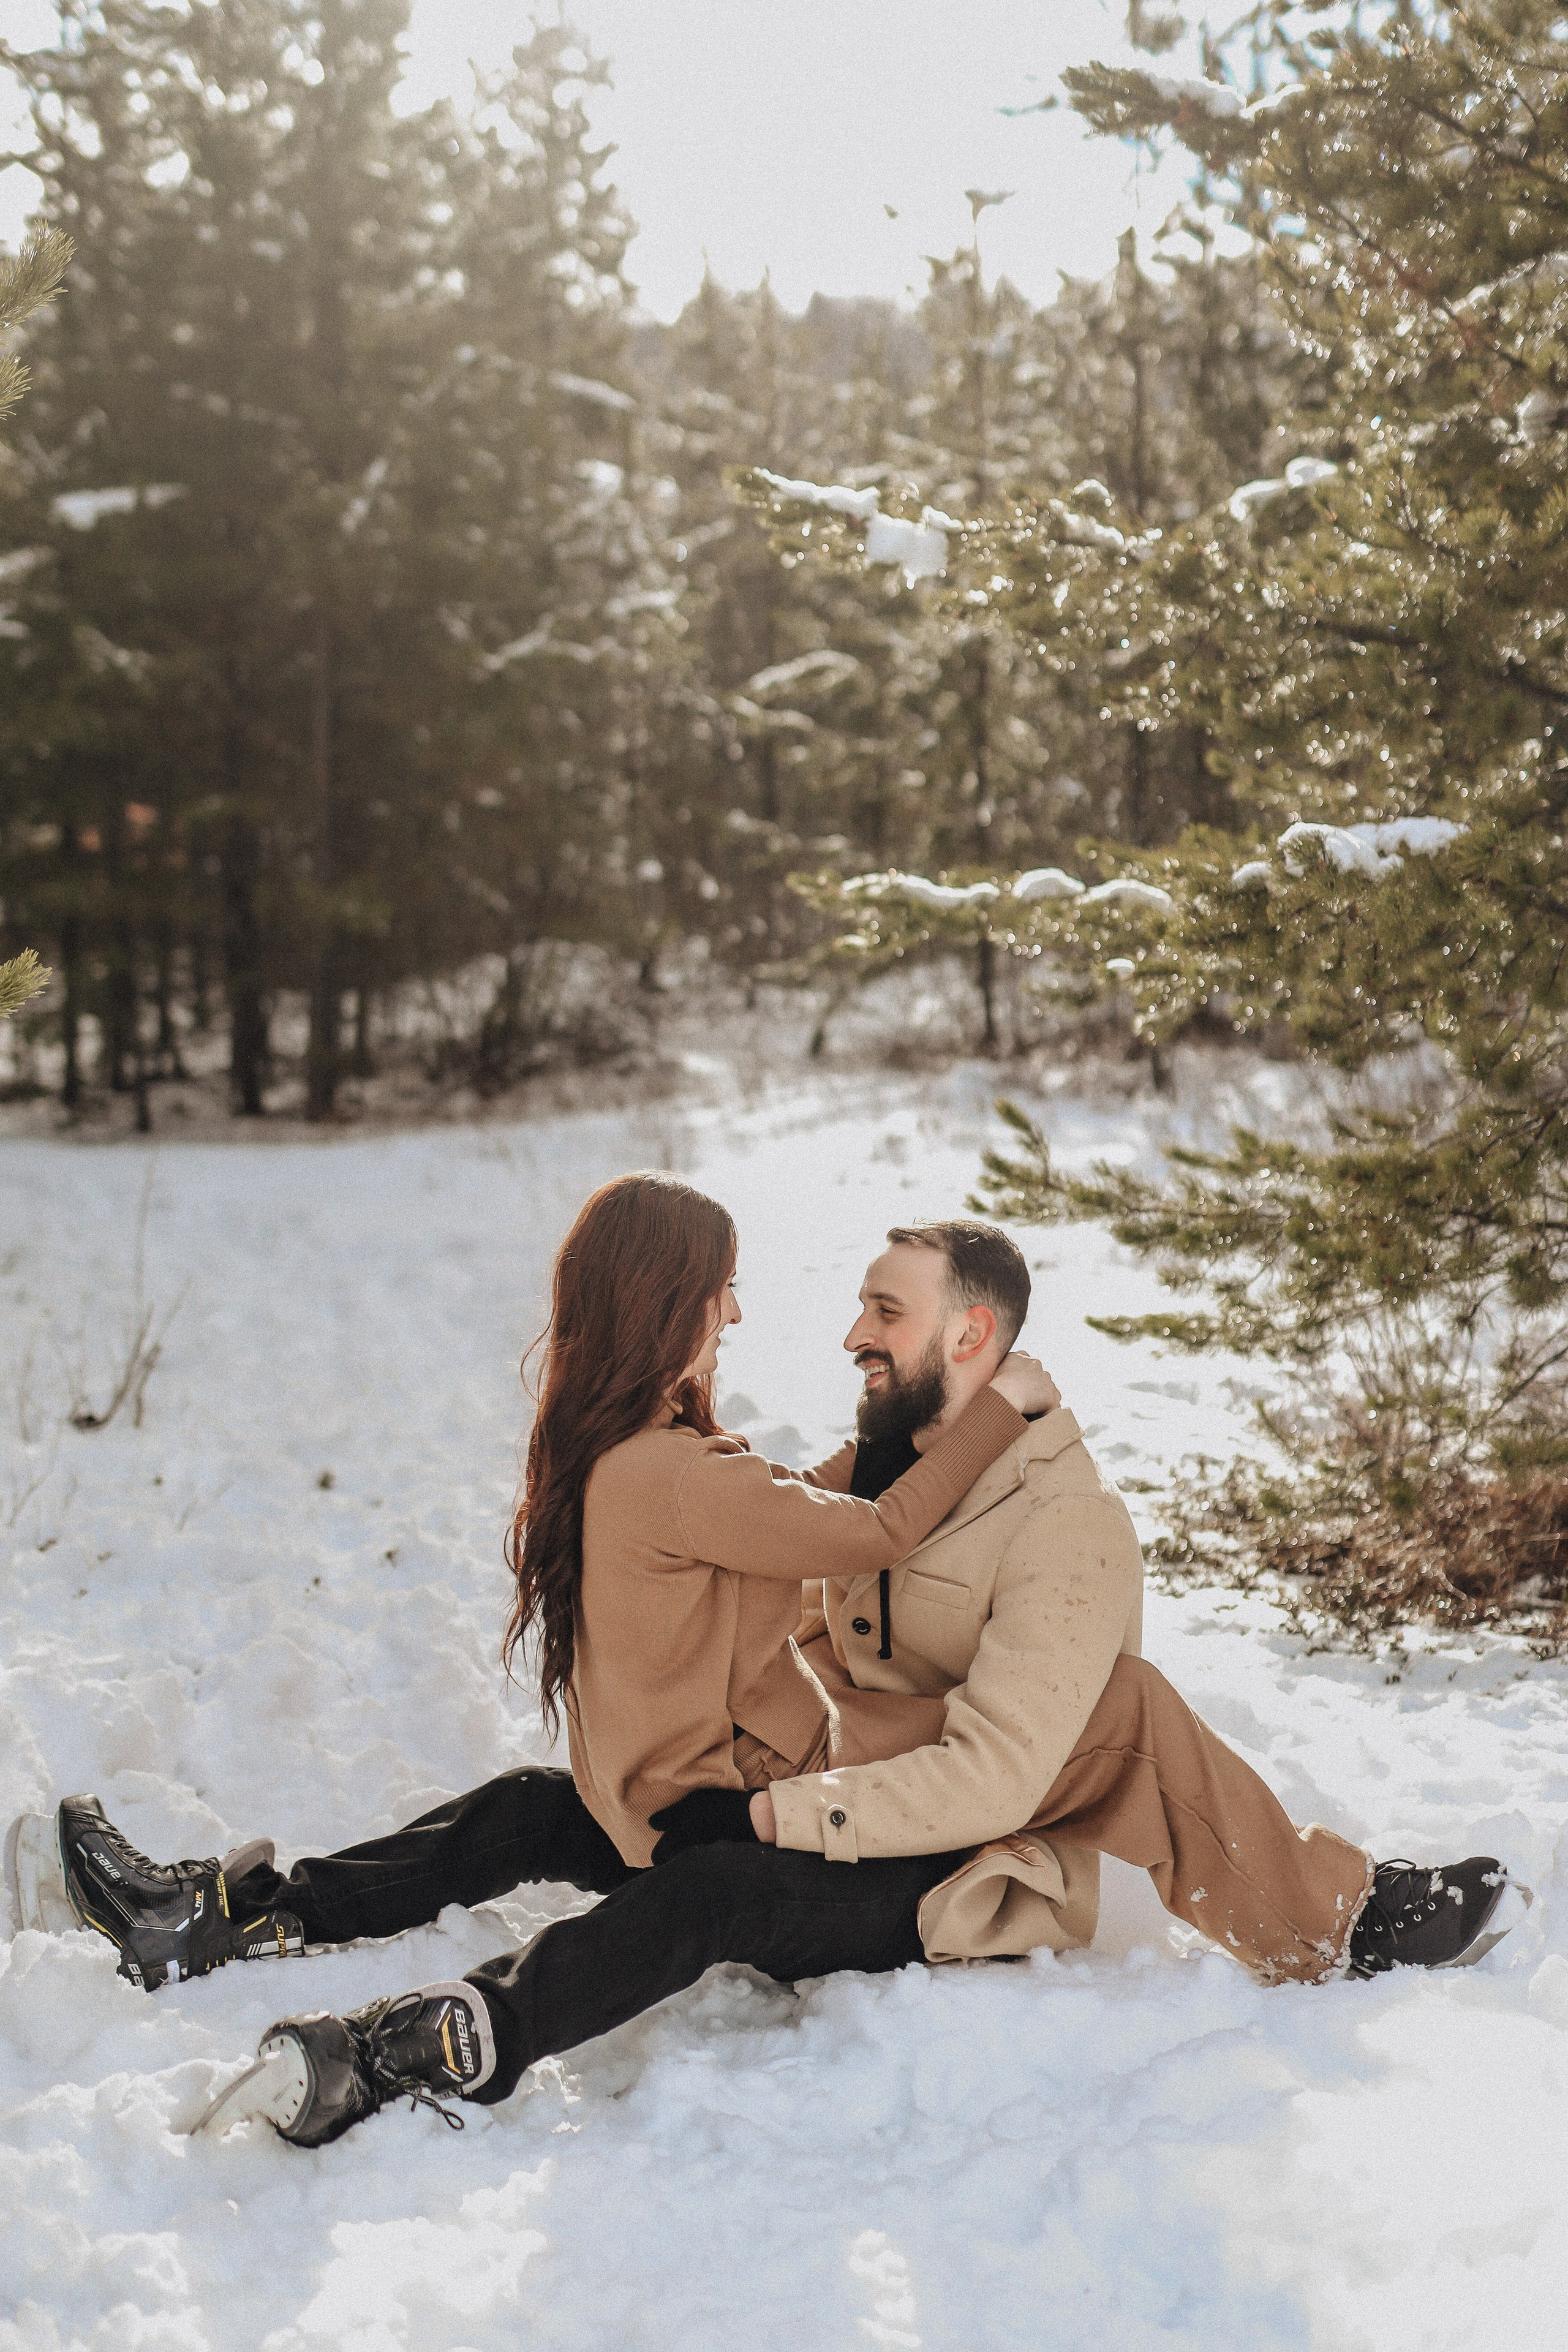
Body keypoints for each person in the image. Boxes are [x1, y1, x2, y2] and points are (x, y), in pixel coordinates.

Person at [10, 1197, 1523, 2152]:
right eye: (829, 1301)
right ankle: (234, 1917)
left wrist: (768, 1822)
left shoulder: (1055, 1527)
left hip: (915, 1847)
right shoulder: (752, 1464)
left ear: (973, 1343)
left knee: (714, 1889)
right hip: (820, 1785)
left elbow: (989, 1764)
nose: (831, 1328)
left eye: (885, 1313)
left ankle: (433, 2042)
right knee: (541, 1810)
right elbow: (831, 1522)